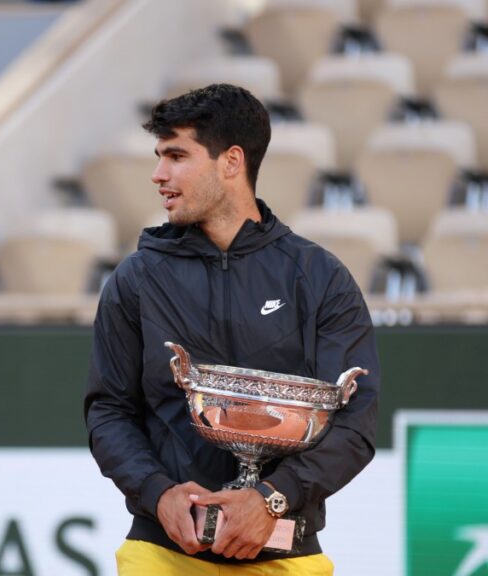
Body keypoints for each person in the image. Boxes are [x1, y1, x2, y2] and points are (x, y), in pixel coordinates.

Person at [84, 84, 379, 574]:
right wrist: (158, 494)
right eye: (159, 157)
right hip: (163, 552)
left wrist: (271, 499)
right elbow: (108, 412)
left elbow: (356, 421)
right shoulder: (135, 279)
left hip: (287, 551)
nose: (158, 175)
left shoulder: (320, 277)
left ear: (232, 161)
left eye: (177, 156)